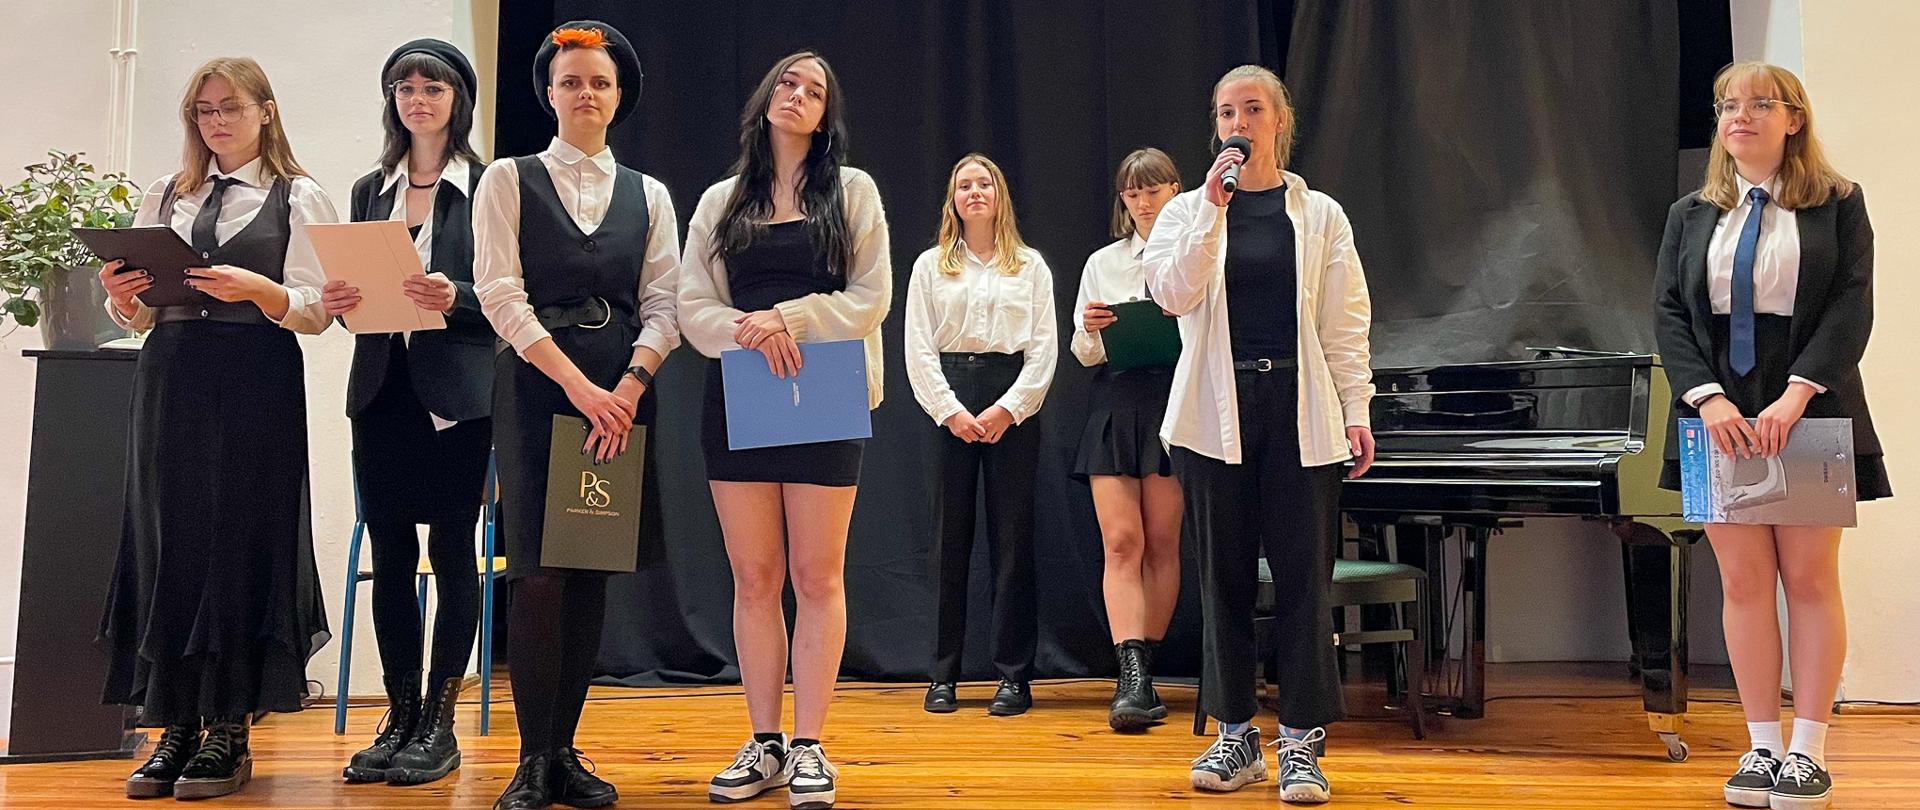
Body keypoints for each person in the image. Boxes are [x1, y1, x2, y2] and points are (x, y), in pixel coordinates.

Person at [97, 56, 337, 800]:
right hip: (172, 377)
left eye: (230, 106)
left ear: (266, 110)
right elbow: (137, 315)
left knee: (240, 538)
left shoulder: (298, 196)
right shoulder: (166, 193)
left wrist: (260, 289)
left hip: (255, 375)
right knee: (168, 539)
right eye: (203, 111)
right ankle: (173, 723)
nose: (216, 121)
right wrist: (121, 296)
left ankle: (229, 727)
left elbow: (320, 311)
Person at [1654, 61, 1888, 810]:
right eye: (1728, 105)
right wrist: (1708, 400)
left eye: (1760, 103)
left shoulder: (1839, 203)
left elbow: (1852, 305)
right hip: (1714, 410)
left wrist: (1796, 395)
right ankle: (1759, 747)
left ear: (1794, 119)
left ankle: (1807, 752)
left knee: (1810, 580)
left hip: (1810, 400)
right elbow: (1669, 313)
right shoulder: (1690, 212)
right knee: (1744, 583)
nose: (1740, 116)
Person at [1144, 65, 1374, 805]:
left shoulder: (1321, 214)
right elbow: (1171, 293)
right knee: (1225, 580)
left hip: (1301, 409)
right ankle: (1235, 735)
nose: (1237, 124)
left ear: (1279, 121)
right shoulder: (1187, 211)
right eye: (1225, 113)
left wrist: (1357, 408)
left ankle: (1302, 742)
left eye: (1251, 110)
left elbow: (1345, 322)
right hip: (1213, 417)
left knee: (1305, 580)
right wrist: (1211, 211)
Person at [470, 21, 680, 810]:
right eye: (571, 82)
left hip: (621, 396)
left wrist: (628, 386)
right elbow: (499, 294)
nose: (585, 93)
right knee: (539, 574)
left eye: (599, 81)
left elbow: (664, 304)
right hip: (537, 387)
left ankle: (564, 751)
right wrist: (579, 386)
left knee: (590, 569)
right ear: (549, 94)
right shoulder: (507, 179)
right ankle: (530, 759)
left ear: (618, 96)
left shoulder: (650, 195)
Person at [676, 50, 891, 810]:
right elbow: (691, 305)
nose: (797, 94)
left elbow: (870, 297)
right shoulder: (721, 199)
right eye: (787, 83)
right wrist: (751, 331)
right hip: (740, 389)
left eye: (814, 90)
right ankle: (763, 740)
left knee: (817, 575)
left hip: (825, 390)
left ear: (827, 116)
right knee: (755, 577)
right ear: (766, 97)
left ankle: (809, 745)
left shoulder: (853, 192)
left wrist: (788, 318)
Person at [320, 38, 491, 787]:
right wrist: (338, 301)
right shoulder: (370, 188)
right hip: (381, 391)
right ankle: (399, 714)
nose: (418, 101)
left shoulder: (488, 186)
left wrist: (459, 297)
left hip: (457, 397)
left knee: (452, 552)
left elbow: (511, 297)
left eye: (433, 88)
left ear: (458, 101)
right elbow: (355, 294)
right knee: (390, 554)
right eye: (405, 89)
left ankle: (440, 721)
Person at [905, 153, 1058, 719]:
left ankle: (1014, 676)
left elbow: (1043, 348)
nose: (975, 192)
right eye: (964, 185)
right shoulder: (930, 266)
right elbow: (918, 347)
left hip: (1010, 398)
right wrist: (949, 411)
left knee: (1013, 541)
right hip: (950, 396)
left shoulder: (1030, 266)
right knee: (949, 541)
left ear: (999, 196)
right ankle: (942, 675)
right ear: (953, 199)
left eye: (984, 183)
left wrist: (1008, 410)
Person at [1070, 147, 1184, 732]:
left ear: (1175, 191)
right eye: (1132, 193)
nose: (1142, 203)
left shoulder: (1197, 250)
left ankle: (1148, 669)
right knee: (1121, 541)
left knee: (1162, 542)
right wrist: (1091, 330)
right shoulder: (1104, 262)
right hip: (1116, 400)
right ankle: (1131, 675)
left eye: (1152, 190)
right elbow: (1083, 352)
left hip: (1175, 400)